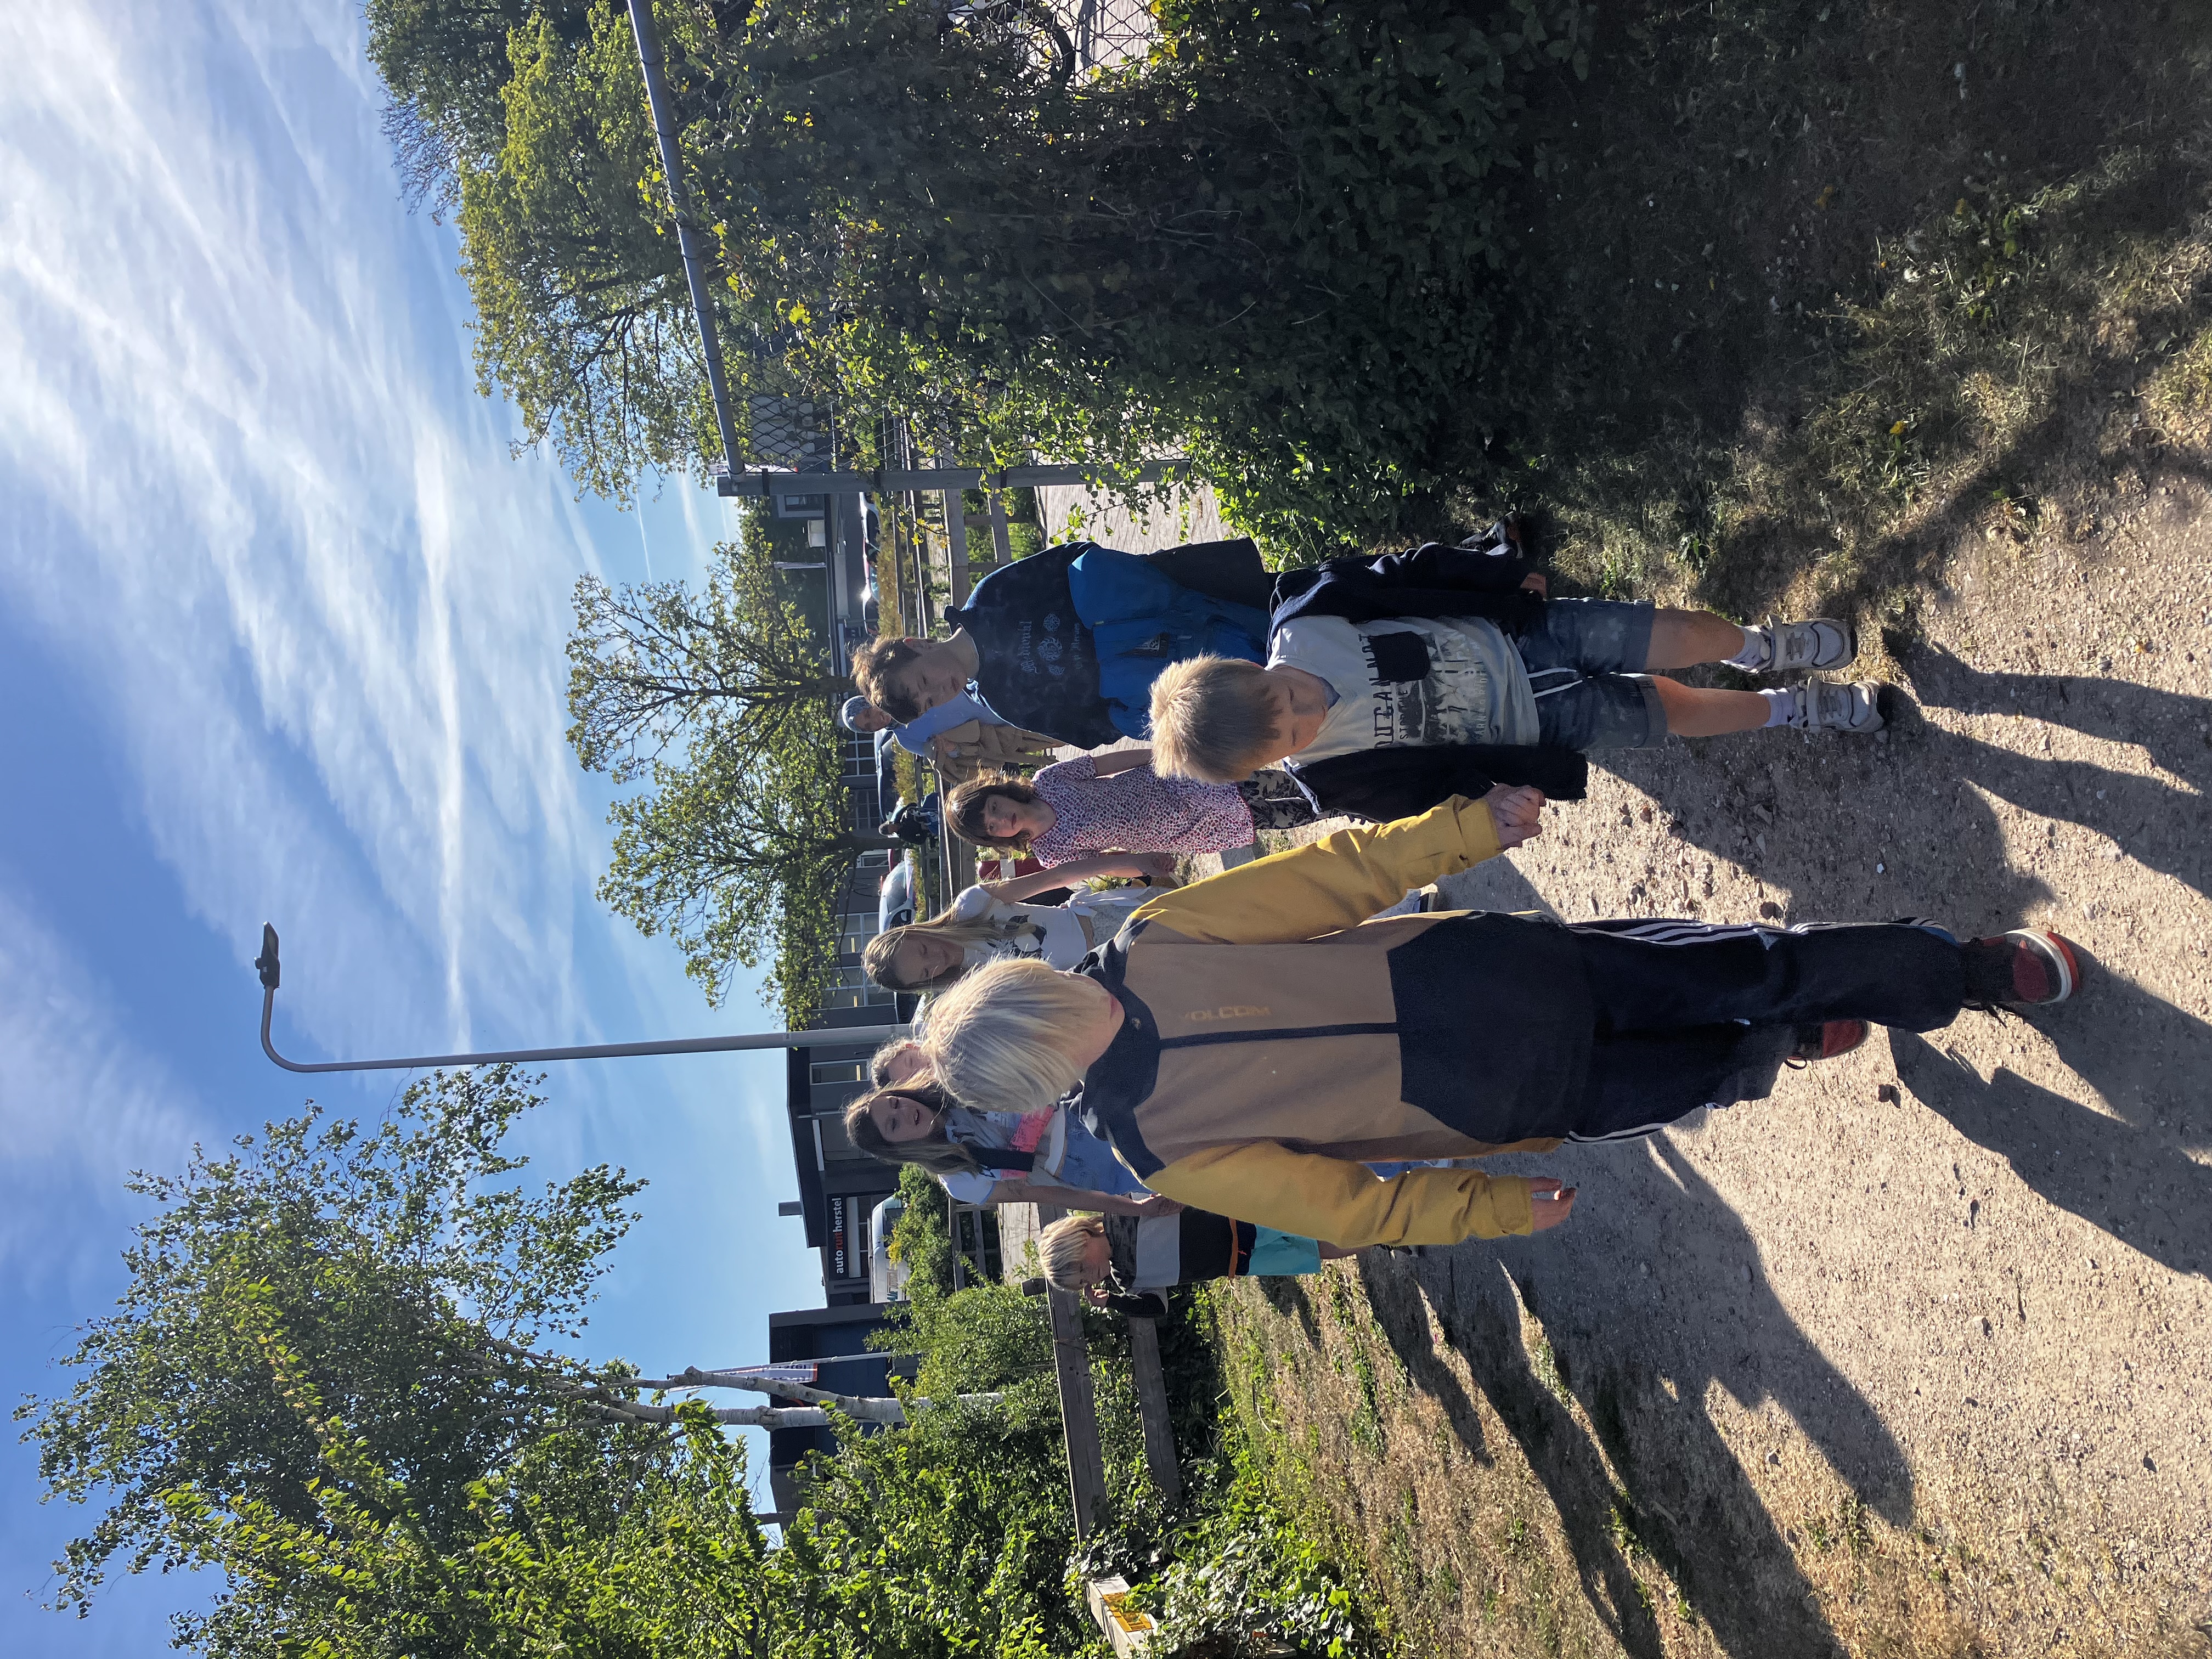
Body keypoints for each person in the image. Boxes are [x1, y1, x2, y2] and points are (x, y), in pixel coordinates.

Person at [911, 788, 2085, 1250]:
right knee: (1716, 1074)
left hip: (1514, 975)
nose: (1070, 1008)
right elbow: (1340, 1208)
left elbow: (1331, 881)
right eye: (1046, 1038)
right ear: (1043, 1073)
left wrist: (1462, 834)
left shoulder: (1156, 941)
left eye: (1043, 999)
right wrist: (1487, 1207)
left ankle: (1958, 974)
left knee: (1757, 966)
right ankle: (1780, 1041)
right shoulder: (1153, 1147)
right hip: (1517, 1103)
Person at [1144, 529, 1888, 822]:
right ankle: (1794, 710)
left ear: (1253, 669)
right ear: (1271, 766)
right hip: (1538, 728)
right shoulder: (1333, 779)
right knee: (1674, 711)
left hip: (1525, 636)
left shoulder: (1306, 618)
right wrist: (1492, 802)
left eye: (1284, 699)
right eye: (1289, 738)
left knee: (1682, 634)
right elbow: (1423, 801)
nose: (1305, 716)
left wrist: (1493, 573)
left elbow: (1411, 571)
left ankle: (1757, 647)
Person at [849, 538, 1275, 748]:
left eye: (924, 680)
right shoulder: (1005, 702)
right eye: (929, 705)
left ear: (919, 644)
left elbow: (1071, 557)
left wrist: (1133, 599)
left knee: (1292, 611)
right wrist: (1133, 703)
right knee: (1280, 688)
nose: (939, 692)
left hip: (1187, 606)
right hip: (1182, 684)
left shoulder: (993, 598)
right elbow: (1088, 731)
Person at [843, 1077, 1179, 1215]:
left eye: (894, 1103)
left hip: (1087, 1110)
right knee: (1187, 1176)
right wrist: (1135, 1209)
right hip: (1082, 1169)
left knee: (1189, 1124)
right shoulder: (957, 1178)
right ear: (896, 1148)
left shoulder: (955, 1081)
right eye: (893, 1124)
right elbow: (1054, 1195)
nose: (903, 1111)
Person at [943, 747, 1317, 867]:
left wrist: (1163, 753)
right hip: (1181, 831)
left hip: (1176, 784)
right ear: (996, 839)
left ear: (1000, 792)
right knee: (1281, 818)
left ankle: (1330, 780)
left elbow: (1104, 765)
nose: (1001, 819)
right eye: (992, 827)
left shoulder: (1048, 782)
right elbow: (1107, 864)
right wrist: (1140, 866)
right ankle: (1339, 806)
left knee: (1277, 784)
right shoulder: (1049, 853)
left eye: (993, 807)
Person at [863, 857, 1176, 994]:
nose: (934, 961)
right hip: (1112, 971)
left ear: (917, 931)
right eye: (923, 973)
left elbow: (1055, 878)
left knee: (1207, 915)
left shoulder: (972, 905)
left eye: (922, 949)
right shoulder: (972, 989)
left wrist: (1132, 861)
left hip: (1111, 920)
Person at [1038, 1210, 1358, 1317]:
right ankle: (1378, 1238)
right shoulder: (1126, 1280)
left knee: (1308, 1222)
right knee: (1314, 1252)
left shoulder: (1123, 1211)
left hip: (1237, 1219)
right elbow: (1157, 1307)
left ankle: (1372, 1221)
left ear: (1080, 1237)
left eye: (1080, 1266)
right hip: (1237, 1262)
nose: (1088, 1276)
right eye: (1082, 1282)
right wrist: (1115, 1302)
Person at [838, 695, 1059, 783]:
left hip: (1001, 696)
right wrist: (951, 748)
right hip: (1003, 733)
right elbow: (955, 759)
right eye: (868, 727)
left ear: (869, 702)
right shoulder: (907, 741)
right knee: (1062, 733)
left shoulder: (904, 692)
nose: (875, 721)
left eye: (868, 714)